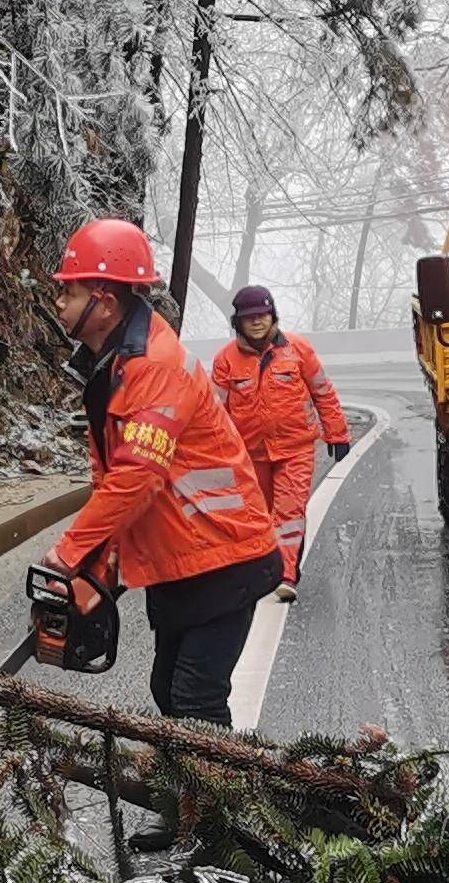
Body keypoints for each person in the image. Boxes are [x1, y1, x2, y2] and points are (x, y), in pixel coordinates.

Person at [39, 220, 285, 726]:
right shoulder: (111, 365)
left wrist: (68, 555)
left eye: (69, 290)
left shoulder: (153, 364)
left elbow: (137, 475)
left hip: (224, 556)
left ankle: (223, 801)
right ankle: (197, 799)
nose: (58, 301)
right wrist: (99, 566)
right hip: (184, 557)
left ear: (104, 303)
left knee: (195, 699)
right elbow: (115, 482)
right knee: (167, 690)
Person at [207, 285, 351, 600]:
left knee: (289, 511)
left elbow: (322, 391)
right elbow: (213, 413)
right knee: (256, 515)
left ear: (273, 316)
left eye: (263, 315)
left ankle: (286, 576)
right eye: (249, 318)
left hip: (295, 449)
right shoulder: (225, 362)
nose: (257, 322)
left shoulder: (298, 349)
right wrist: (213, 455)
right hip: (248, 454)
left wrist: (337, 433)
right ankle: (260, 571)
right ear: (238, 323)